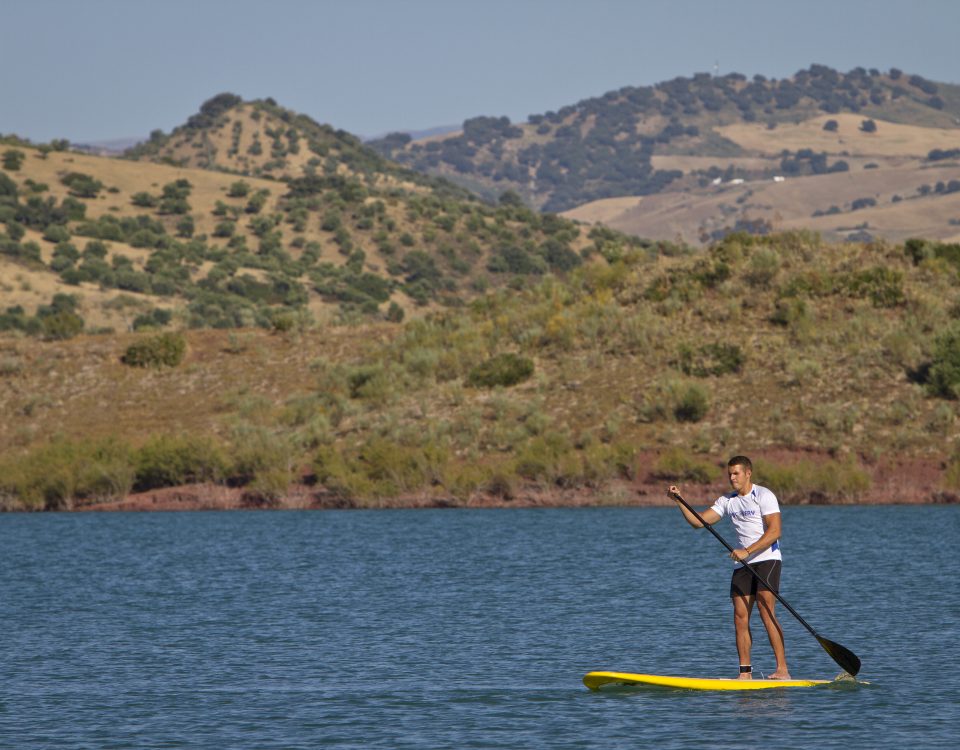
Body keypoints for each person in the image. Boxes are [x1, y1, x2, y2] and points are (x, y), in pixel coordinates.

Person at [667, 455, 790, 680]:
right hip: (742, 563)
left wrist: (748, 551)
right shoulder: (727, 500)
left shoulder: (763, 495)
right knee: (739, 616)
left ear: (748, 473)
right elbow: (699, 522)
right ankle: (745, 673)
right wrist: (680, 501)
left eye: (736, 473)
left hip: (767, 559)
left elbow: (775, 531)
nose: (732, 477)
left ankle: (782, 669)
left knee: (765, 610)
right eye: (729, 474)